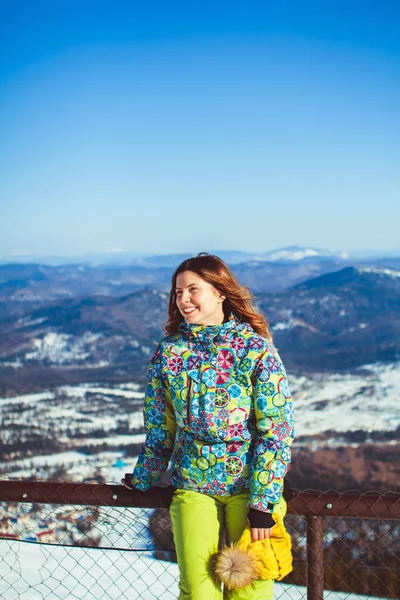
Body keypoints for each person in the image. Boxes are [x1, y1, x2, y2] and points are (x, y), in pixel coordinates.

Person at [122, 253, 294, 600]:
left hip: (248, 490)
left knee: (249, 591)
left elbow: (275, 432)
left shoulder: (255, 351)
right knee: (198, 592)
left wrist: (262, 503)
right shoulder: (169, 353)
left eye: (193, 290)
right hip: (193, 485)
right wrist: (143, 477)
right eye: (177, 292)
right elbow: (160, 428)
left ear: (220, 292)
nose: (183, 299)